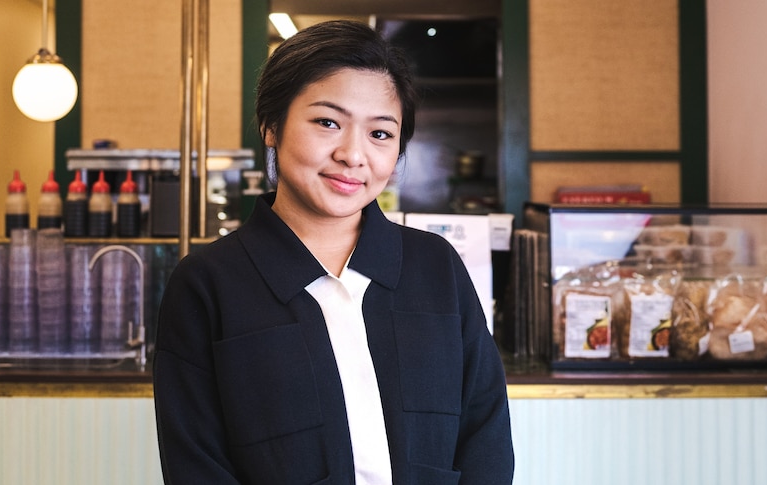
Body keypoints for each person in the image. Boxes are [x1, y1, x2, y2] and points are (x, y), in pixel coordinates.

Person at [153, 19, 514, 484]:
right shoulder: (207, 283)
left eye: (380, 134)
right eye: (327, 122)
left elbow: (485, 431)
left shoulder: (435, 265)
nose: (353, 154)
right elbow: (195, 465)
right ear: (271, 125)